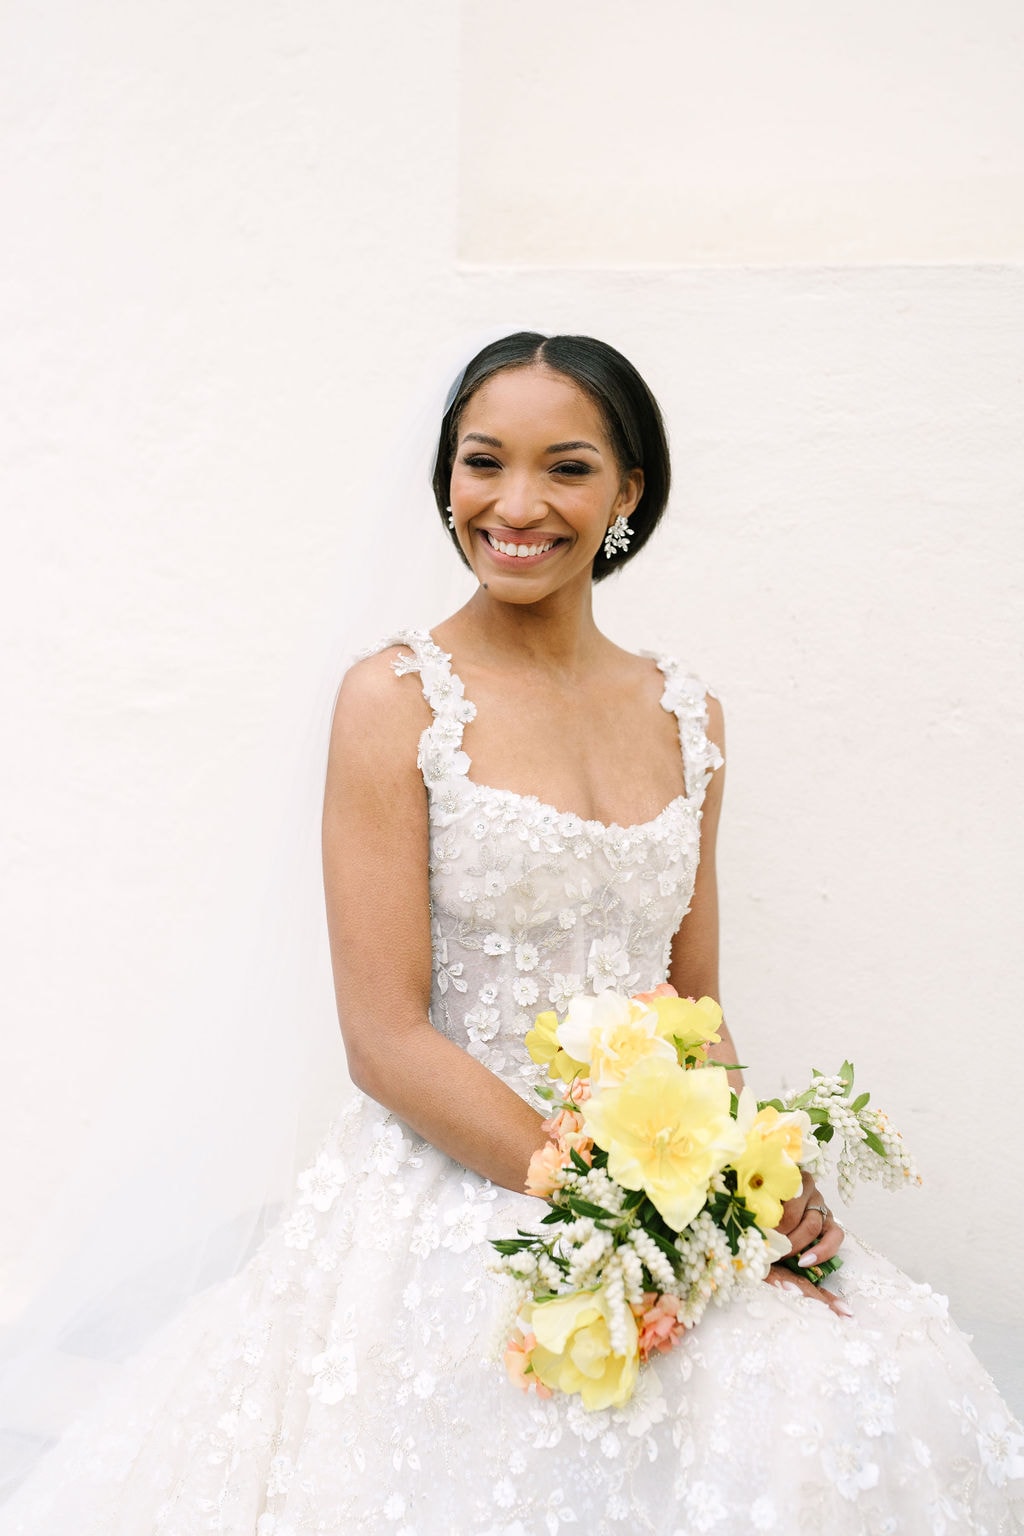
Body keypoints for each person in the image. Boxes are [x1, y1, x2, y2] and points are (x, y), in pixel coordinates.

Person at [1, 332, 1021, 1533]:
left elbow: (690, 1006)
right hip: (460, 1170)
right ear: (447, 480)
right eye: (483, 463)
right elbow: (383, 1036)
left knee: (852, 1378)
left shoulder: (686, 716)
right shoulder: (394, 700)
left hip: (657, 1179)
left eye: (568, 468)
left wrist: (749, 1183)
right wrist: (601, 1190)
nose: (517, 505)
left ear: (629, 490)